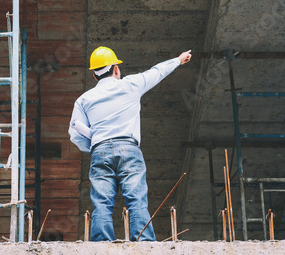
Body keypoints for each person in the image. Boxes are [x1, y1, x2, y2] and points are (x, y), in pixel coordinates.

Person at [68, 46, 192, 242]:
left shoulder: (83, 100)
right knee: (136, 199)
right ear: (116, 68)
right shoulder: (131, 85)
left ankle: (101, 245)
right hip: (129, 149)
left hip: (99, 150)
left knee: (102, 202)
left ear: (94, 75)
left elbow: (74, 134)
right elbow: (156, 72)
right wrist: (178, 59)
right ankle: (144, 243)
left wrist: (94, 145)